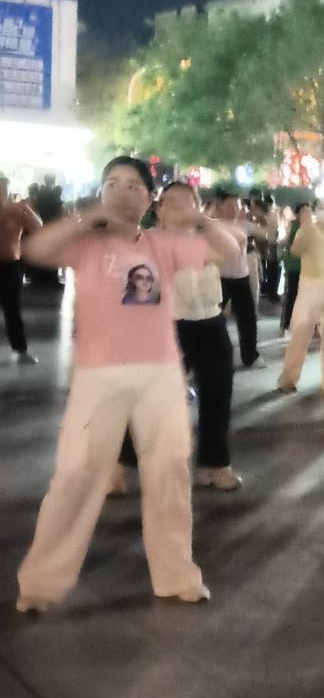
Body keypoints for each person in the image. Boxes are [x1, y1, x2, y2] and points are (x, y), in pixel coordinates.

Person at [14, 156, 240, 612]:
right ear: (101, 192)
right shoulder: (85, 243)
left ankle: (176, 574)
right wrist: (87, 218)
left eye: (133, 185)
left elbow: (230, 254)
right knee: (76, 473)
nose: (121, 191)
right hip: (99, 374)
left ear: (148, 198)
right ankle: (40, 584)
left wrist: (197, 217)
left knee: (170, 471)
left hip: (160, 372)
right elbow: (34, 250)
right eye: (112, 183)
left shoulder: (162, 243)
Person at [156, 181, 241, 490]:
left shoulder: (205, 239)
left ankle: (215, 464)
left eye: (186, 201)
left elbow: (232, 251)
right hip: (166, 327)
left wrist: (201, 220)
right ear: (159, 209)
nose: (178, 207)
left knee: (217, 396)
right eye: (171, 202)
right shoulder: (150, 241)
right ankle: (135, 465)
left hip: (209, 323)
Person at [277, 201, 324, 394]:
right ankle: (288, 379)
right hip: (310, 287)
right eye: (321, 208)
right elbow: (295, 250)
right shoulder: (307, 230)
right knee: (300, 333)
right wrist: (306, 228)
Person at [213, 191, 264, 369]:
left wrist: (264, 219)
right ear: (220, 206)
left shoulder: (244, 225)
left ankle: (250, 355)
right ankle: (213, 354)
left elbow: (266, 234)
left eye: (236, 206)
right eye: (229, 206)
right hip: (220, 278)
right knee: (214, 317)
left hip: (241, 276)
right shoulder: (214, 225)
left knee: (247, 318)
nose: (233, 210)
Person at [0, 175, 41, 362]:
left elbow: (38, 227)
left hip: (10, 266)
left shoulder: (17, 210)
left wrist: (28, 211)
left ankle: (20, 351)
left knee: (12, 310)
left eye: (2, 188)